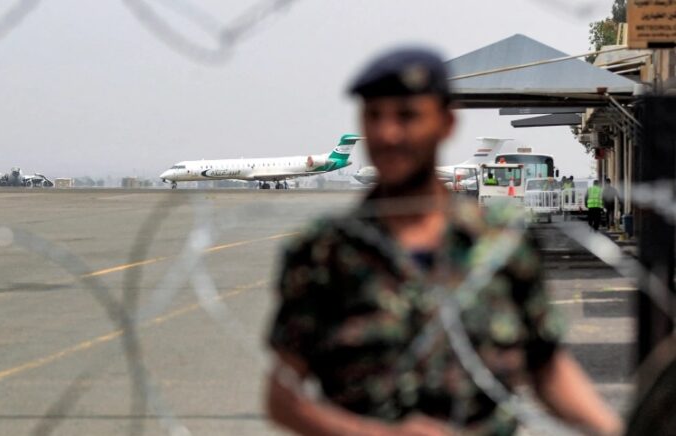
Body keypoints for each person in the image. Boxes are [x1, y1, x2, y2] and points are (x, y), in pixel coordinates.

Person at [265, 47, 622, 435]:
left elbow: (546, 366)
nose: (387, 134)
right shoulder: (324, 252)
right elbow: (282, 396)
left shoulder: (502, 241)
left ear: (446, 124)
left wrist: (614, 428)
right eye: (374, 116)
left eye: (407, 116)